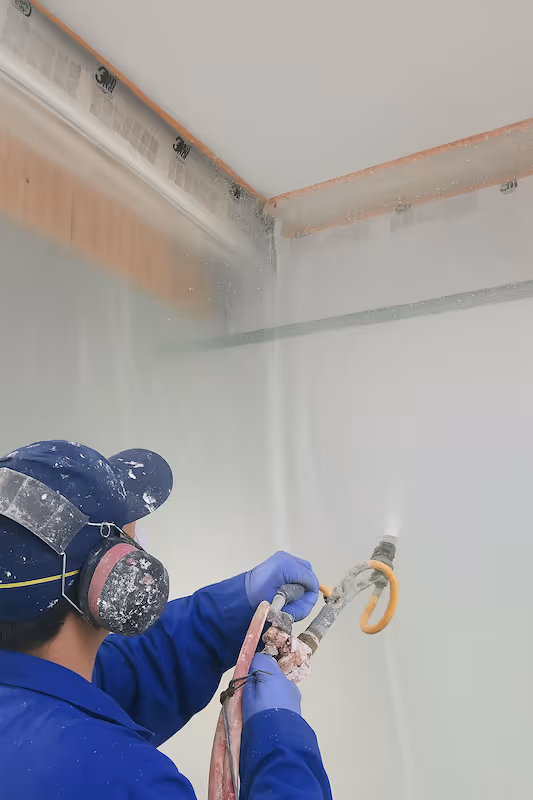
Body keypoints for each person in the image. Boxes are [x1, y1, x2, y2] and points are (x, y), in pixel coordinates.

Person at [0, 441, 332, 799]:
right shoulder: (130, 782)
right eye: (130, 535)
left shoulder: (29, 690)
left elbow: (118, 677)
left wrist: (234, 609)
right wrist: (281, 737)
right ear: (113, 581)